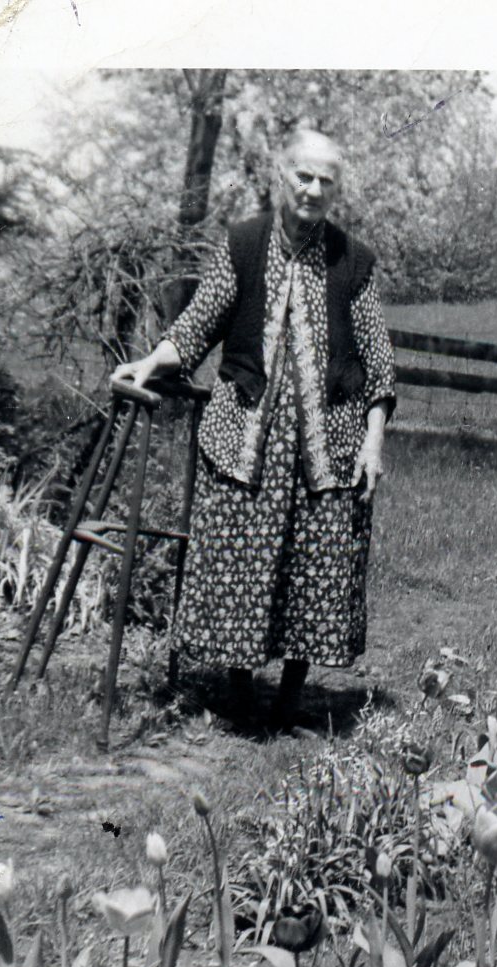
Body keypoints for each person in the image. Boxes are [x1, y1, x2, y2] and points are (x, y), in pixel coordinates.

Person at [112, 128, 396, 732]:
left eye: (326, 180)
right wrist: (149, 362)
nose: (314, 190)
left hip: (331, 446)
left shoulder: (354, 261)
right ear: (281, 173)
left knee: (314, 563)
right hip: (247, 436)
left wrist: (373, 439)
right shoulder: (242, 245)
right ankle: (240, 698)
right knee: (241, 563)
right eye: (304, 176)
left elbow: (377, 360)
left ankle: (291, 701)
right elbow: (196, 326)